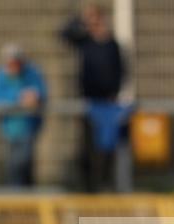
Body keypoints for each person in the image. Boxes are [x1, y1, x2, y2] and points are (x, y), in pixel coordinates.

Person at [59, 4, 125, 191]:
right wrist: (80, 21)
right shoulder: (84, 42)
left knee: (107, 146)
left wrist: (115, 91)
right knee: (86, 146)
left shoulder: (111, 44)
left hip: (108, 103)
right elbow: (63, 34)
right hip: (88, 102)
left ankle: (106, 184)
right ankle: (87, 186)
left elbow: (121, 69)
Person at [0, 43, 48, 187]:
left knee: (25, 163)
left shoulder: (32, 73)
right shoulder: (0, 75)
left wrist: (35, 96)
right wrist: (19, 97)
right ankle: (13, 197)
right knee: (13, 166)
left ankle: (27, 199)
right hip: (9, 127)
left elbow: (41, 92)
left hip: (28, 126)